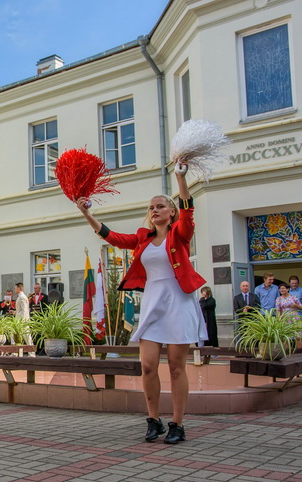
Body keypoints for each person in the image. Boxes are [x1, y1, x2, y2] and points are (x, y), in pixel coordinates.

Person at [76, 162, 206, 444]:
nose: (154, 210)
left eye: (160, 206)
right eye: (151, 207)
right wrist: (87, 213)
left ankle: (178, 424)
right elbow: (113, 237)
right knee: (147, 366)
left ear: (171, 212)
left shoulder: (180, 233)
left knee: (176, 367)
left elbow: (188, 211)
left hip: (179, 301)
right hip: (152, 302)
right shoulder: (142, 238)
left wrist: (180, 177)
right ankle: (154, 420)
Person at [14, 283, 33, 354]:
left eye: (15, 288)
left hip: (22, 321)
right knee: (17, 337)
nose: (15, 289)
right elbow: (20, 310)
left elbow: (24, 310)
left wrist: (21, 321)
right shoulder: (21, 296)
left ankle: (31, 353)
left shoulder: (22, 297)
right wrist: (14, 312)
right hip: (20, 320)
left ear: (19, 288)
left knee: (27, 337)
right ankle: (16, 353)